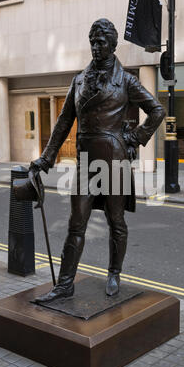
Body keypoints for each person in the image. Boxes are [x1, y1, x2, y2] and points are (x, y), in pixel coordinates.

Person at [31, 18, 165, 303]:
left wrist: (135, 138)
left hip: (113, 161)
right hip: (85, 164)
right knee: (75, 223)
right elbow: (64, 120)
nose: (95, 47)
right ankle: (65, 284)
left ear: (113, 45)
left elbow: (156, 111)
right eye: (92, 42)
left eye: (101, 42)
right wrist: (47, 157)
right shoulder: (78, 80)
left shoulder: (126, 80)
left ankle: (114, 273)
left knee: (116, 221)